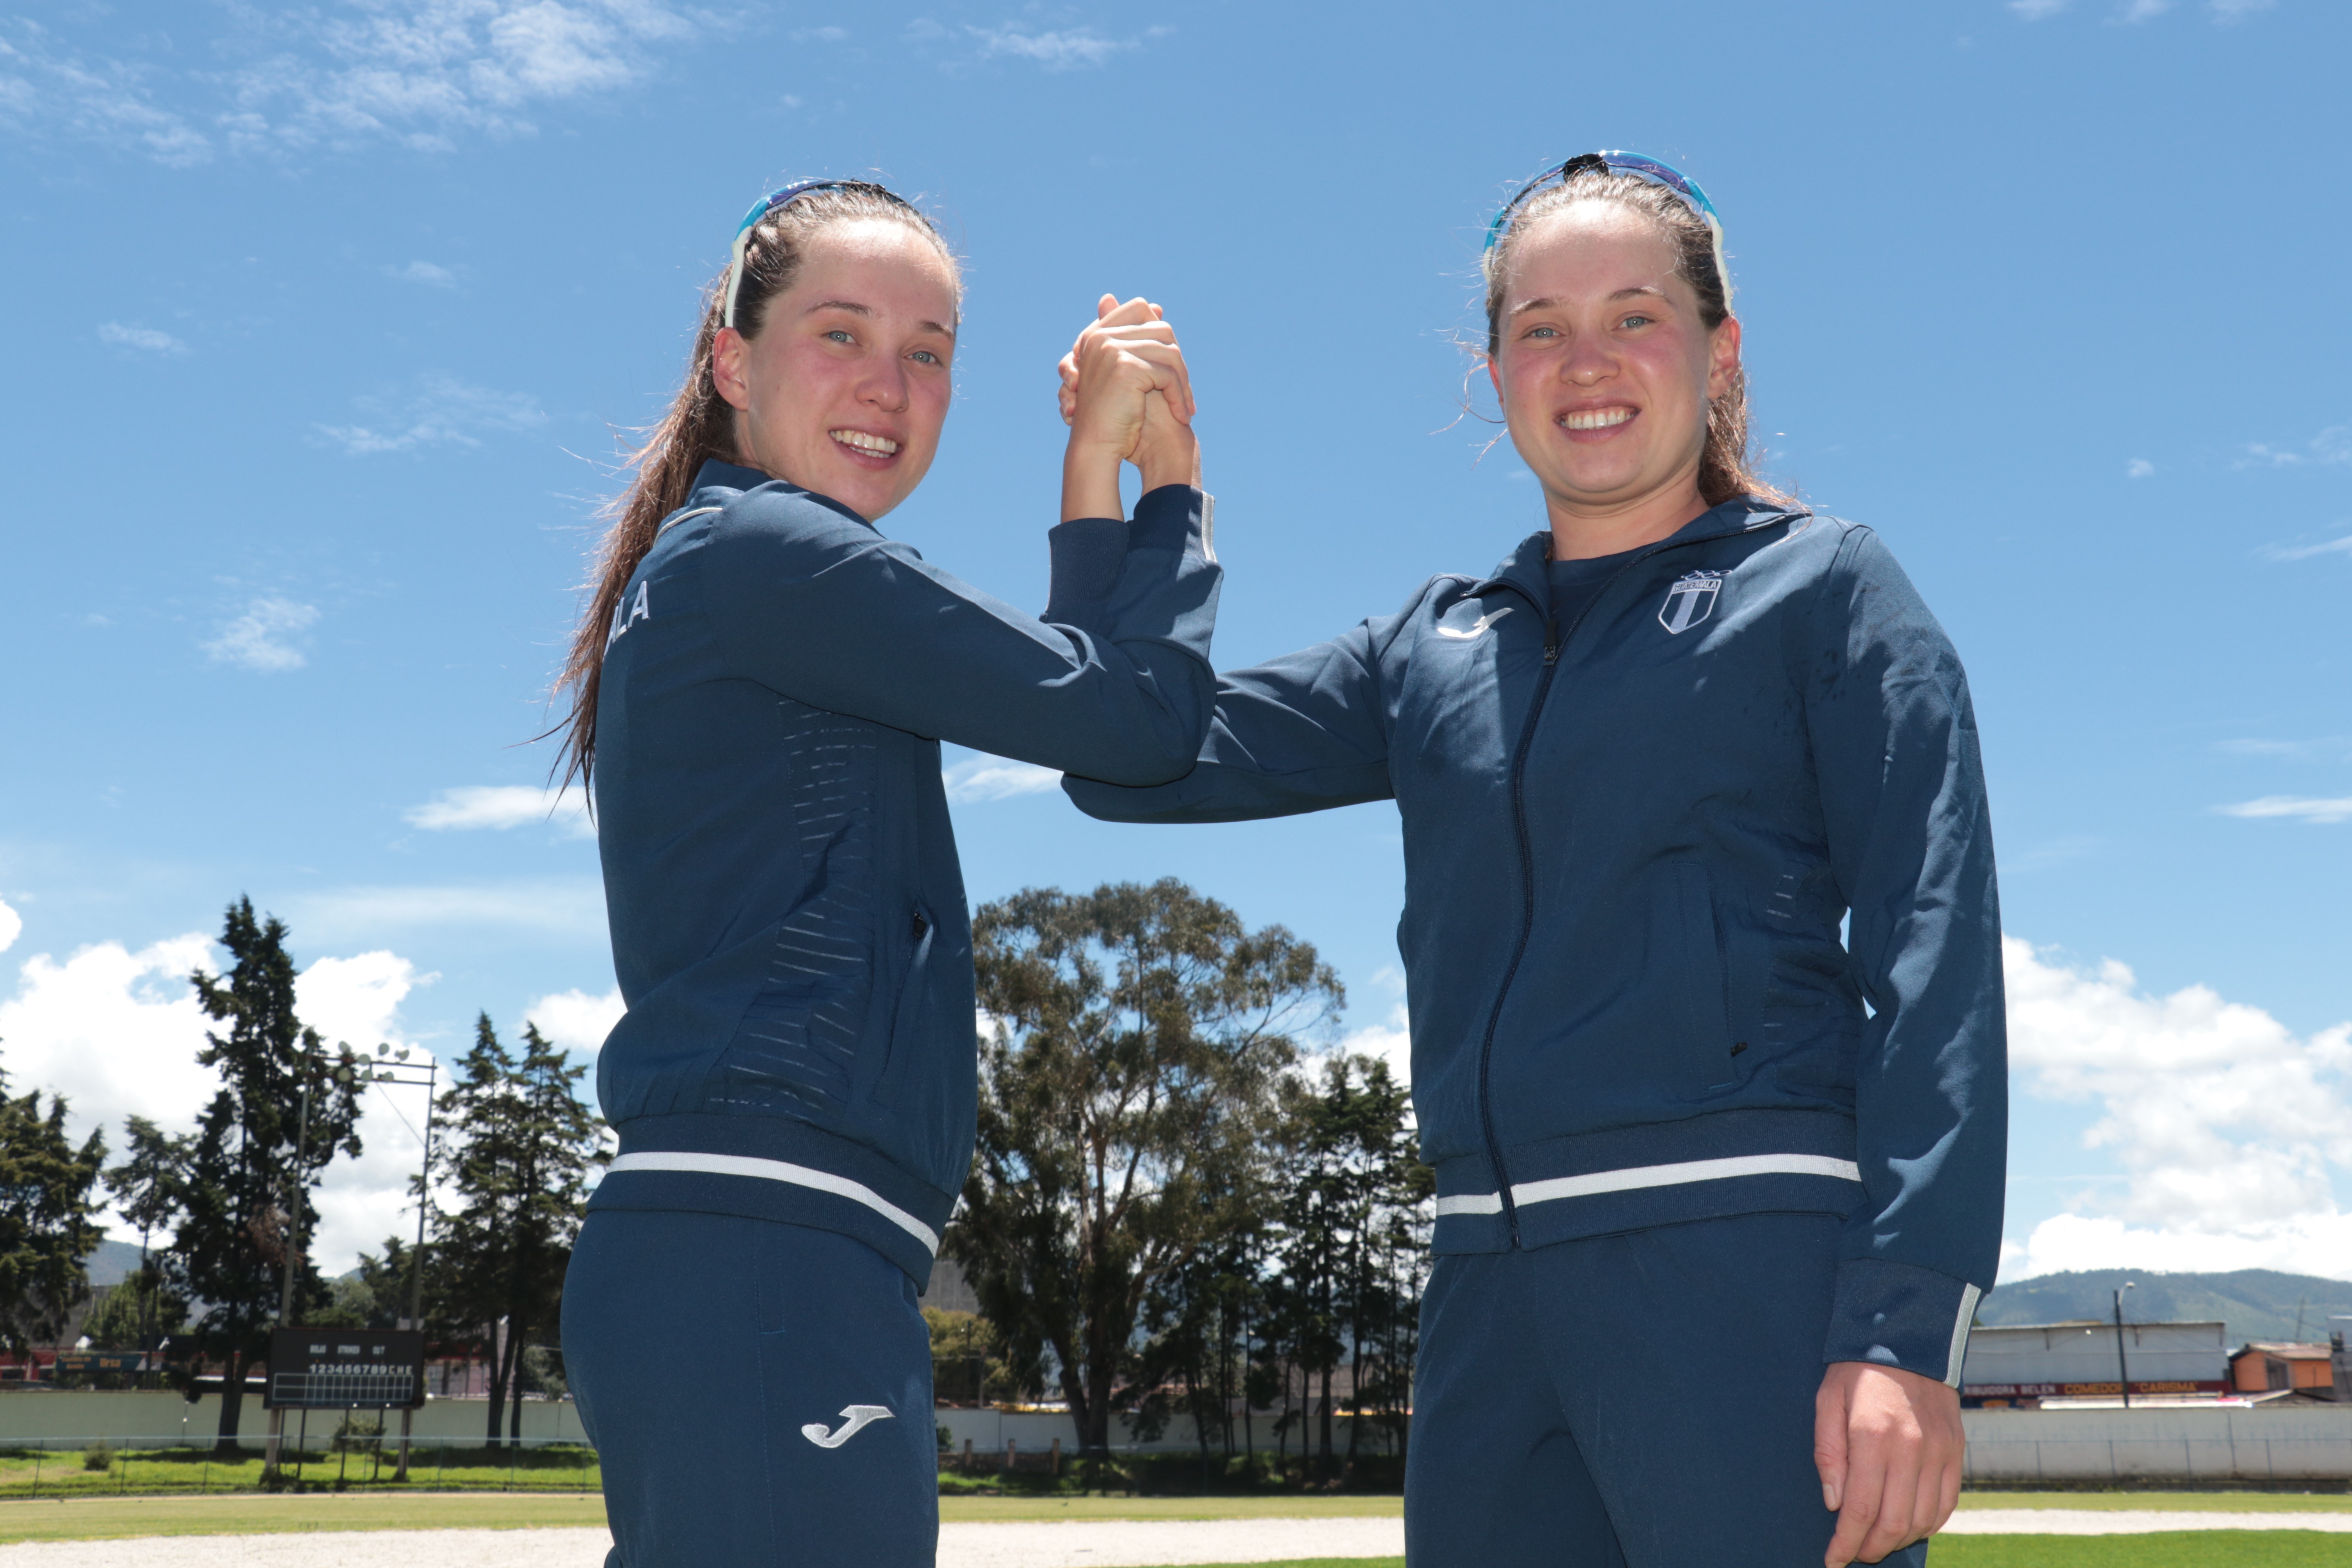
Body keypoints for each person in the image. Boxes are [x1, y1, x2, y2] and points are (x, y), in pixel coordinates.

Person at [1062, 153, 2005, 1568]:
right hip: (1486, 1298)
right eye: (1540, 328)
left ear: (1717, 348)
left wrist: (1903, 1324)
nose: (1587, 362)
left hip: (1742, 1265)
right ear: (1492, 370)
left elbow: (1934, 955)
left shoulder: (1824, 590)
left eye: (1635, 316)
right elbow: (1126, 756)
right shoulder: (1428, 646)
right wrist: (1141, 496)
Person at [554, 179, 1219, 1568]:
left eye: (928, 352)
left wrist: (1093, 467)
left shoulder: (758, 570)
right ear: (730, 362)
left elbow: (1091, 713)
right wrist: (1170, 482)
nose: (890, 383)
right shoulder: (769, 553)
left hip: (766, 1240)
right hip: (763, 1236)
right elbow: (1134, 725)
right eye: (840, 334)